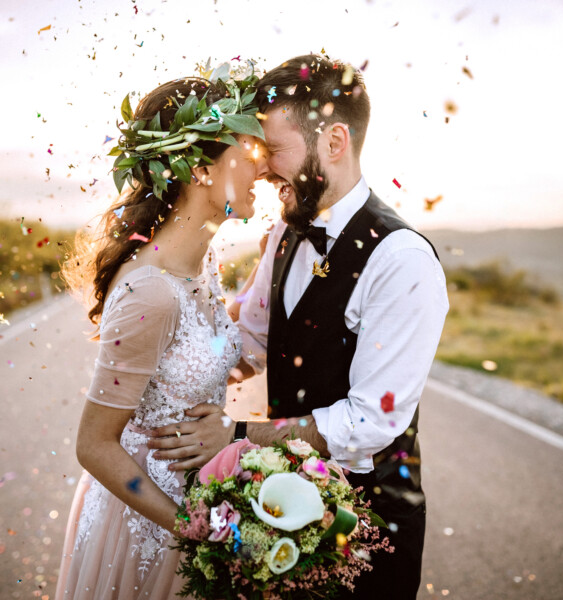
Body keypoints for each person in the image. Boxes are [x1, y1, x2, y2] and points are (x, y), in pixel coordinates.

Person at [147, 54, 449, 599]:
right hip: (279, 510)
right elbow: (253, 342)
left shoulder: (402, 261)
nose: (260, 169)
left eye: (275, 150)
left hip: (366, 531)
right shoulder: (287, 232)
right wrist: (167, 357)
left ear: (334, 142)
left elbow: (370, 422)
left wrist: (236, 435)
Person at [55, 71, 269, 599]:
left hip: (203, 502)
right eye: (248, 150)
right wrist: (194, 531)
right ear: (198, 168)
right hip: (151, 527)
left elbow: (214, 357)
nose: (262, 169)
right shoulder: (150, 293)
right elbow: (93, 445)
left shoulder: (201, 262)